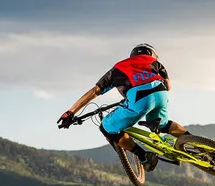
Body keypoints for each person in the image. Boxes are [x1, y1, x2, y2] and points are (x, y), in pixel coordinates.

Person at [57, 43, 189, 171]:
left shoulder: (119, 67)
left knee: (107, 127)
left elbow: (95, 91)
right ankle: (193, 143)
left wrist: (70, 112)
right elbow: (168, 86)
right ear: (152, 54)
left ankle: (144, 157)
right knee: (163, 124)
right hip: (161, 93)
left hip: (140, 98)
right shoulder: (154, 63)